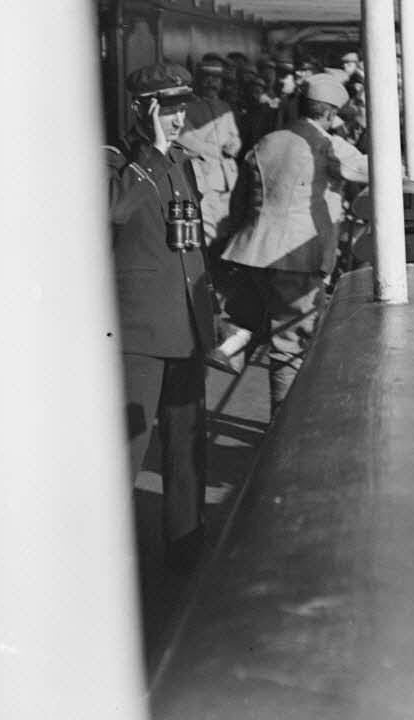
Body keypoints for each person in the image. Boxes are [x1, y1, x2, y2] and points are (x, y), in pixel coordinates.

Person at [105, 62, 217, 571]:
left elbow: (190, 240)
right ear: (141, 110)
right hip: (138, 330)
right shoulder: (116, 159)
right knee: (127, 445)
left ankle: (186, 546)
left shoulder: (180, 161)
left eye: (180, 109)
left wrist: (210, 308)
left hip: (186, 324)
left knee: (187, 443)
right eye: (166, 110)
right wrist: (149, 149)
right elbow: (113, 211)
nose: (177, 120)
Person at [218, 73, 369, 413]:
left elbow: (239, 201)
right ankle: (281, 426)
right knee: (292, 343)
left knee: (264, 322)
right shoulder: (326, 144)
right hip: (296, 257)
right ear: (329, 113)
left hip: (252, 251)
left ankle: (233, 343)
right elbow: (374, 170)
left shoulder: (267, 141)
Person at [177, 53, 242, 258]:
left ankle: (217, 266)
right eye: (207, 78)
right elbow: (186, 139)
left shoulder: (225, 108)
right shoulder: (188, 107)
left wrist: (233, 146)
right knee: (206, 228)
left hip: (226, 178)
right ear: (199, 80)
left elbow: (235, 137)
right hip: (204, 176)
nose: (212, 83)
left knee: (224, 226)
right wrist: (216, 151)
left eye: (217, 79)